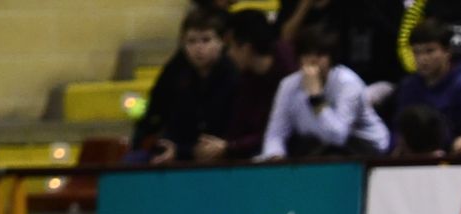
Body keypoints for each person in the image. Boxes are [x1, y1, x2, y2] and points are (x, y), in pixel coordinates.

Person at [260, 26, 390, 158]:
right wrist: (275, 156)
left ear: (331, 58)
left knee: (330, 154)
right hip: (319, 145)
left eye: (320, 55)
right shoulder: (288, 85)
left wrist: (316, 97)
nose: (312, 60)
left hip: (366, 146)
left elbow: (338, 136)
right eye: (307, 54)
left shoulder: (348, 84)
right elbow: (275, 133)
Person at [130, 7, 238, 164]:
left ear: (222, 43)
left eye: (206, 40)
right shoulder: (176, 71)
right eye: (191, 41)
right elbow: (158, 111)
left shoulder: (233, 75)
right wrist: (167, 146)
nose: (198, 48)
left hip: (223, 151)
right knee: (133, 161)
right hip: (179, 149)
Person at [393, 18, 461, 147]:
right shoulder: (408, 87)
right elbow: (398, 129)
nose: (422, 59)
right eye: (416, 52)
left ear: (447, 51)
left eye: (430, 51)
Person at [216, 10, 289, 160]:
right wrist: (225, 145)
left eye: (230, 47)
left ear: (246, 48)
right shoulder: (247, 76)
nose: (228, 54)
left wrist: (231, 146)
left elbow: (277, 131)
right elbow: (238, 123)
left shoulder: (288, 74)